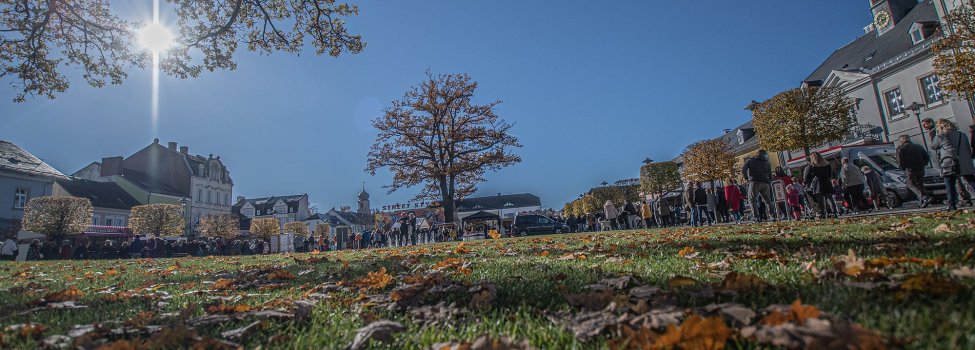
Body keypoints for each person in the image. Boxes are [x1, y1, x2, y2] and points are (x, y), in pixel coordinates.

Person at [931, 119, 975, 211]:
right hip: (964, 161)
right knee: (971, 181)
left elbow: (933, 146)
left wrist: (934, 134)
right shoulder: (961, 134)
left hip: (949, 162)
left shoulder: (941, 135)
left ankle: (951, 204)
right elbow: (968, 148)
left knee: (949, 183)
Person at [896, 135, 933, 208]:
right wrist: (923, 164)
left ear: (901, 141)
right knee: (920, 185)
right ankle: (923, 201)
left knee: (911, 184)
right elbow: (926, 157)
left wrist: (902, 167)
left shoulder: (900, 148)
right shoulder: (918, 146)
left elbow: (899, 160)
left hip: (910, 169)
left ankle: (924, 197)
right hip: (920, 168)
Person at [742, 149, 776, 222]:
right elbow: (770, 174)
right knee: (767, 201)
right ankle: (773, 216)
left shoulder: (750, 160)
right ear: (764, 155)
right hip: (765, 182)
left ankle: (756, 217)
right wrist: (769, 181)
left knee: (751, 200)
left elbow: (743, 169)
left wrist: (747, 179)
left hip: (754, 182)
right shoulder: (767, 162)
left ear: (757, 154)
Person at [804, 152, 835, 219]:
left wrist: (807, 183)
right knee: (830, 198)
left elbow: (807, 177)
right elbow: (829, 175)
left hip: (817, 183)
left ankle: (822, 214)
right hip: (826, 182)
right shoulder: (827, 164)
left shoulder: (812, 166)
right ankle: (834, 212)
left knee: (820, 201)